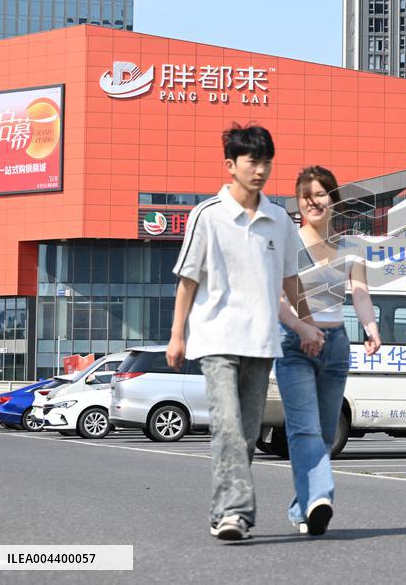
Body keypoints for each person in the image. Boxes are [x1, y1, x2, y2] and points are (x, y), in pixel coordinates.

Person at [167, 124, 324, 541]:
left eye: (266, 162)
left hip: (261, 340)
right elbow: (188, 279)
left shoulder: (279, 220)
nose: (261, 170)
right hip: (216, 338)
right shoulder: (207, 215)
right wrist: (177, 334)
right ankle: (235, 513)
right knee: (228, 427)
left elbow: (290, 280)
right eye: (253, 162)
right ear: (230, 165)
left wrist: (306, 323)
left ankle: (224, 510)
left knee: (249, 433)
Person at [276, 165, 382, 536]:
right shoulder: (287, 244)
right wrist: (301, 327)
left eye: (321, 194)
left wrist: (371, 328)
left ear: (334, 199)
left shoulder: (352, 247)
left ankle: (303, 506)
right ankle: (320, 497)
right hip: (295, 345)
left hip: (336, 346)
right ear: (299, 203)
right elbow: (278, 297)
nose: (313, 201)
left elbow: (360, 293)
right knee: (304, 430)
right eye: (306, 196)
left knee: (322, 433)